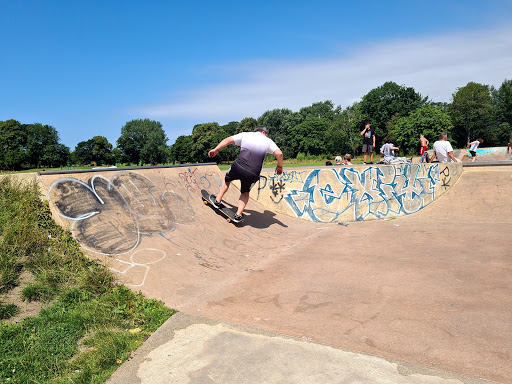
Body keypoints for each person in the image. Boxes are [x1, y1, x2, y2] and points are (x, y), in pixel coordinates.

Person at [208, 126, 283, 223]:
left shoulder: (245, 134)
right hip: (253, 173)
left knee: (227, 179)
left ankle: (217, 201)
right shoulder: (268, 141)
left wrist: (216, 149)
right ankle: (238, 215)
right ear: (264, 133)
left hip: (238, 167)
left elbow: (228, 140)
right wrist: (279, 166)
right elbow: (279, 154)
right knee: (245, 192)